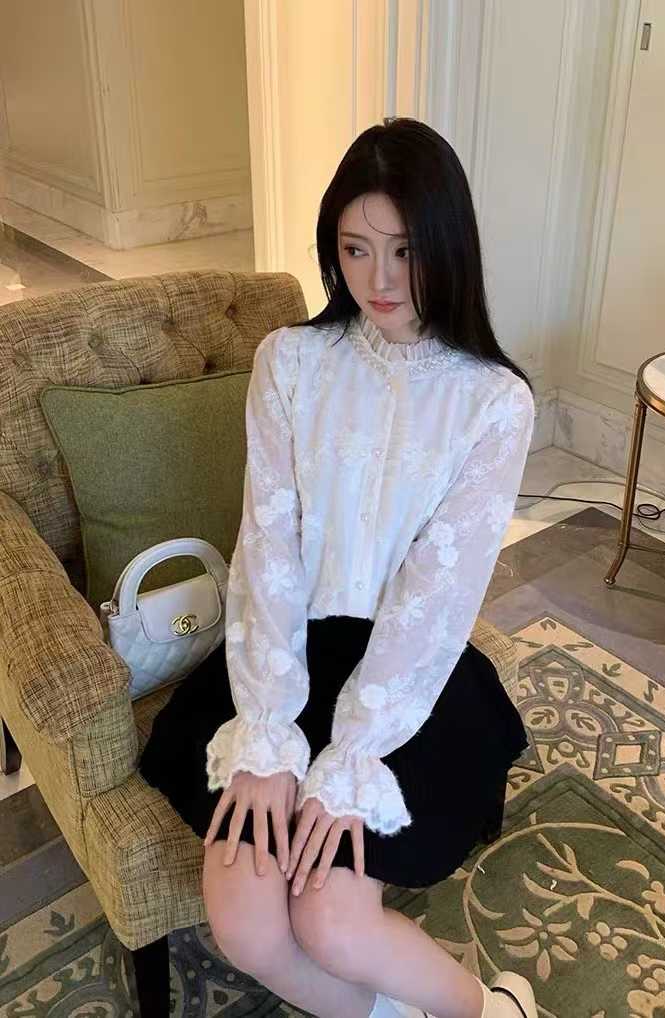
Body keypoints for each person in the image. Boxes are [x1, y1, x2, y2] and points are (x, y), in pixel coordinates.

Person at [139, 117, 537, 1018]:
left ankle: (492, 1010)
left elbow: (436, 598)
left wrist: (352, 754)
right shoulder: (289, 362)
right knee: (247, 927)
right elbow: (266, 546)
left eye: (405, 251)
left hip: (408, 676)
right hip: (285, 652)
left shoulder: (494, 404)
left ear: (448, 247)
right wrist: (269, 731)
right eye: (356, 249)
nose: (379, 280)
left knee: (334, 924)